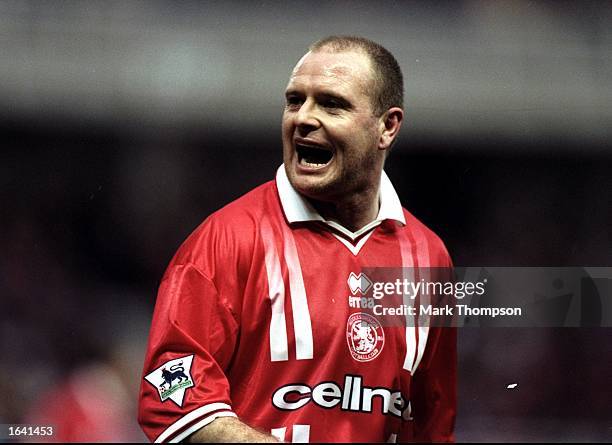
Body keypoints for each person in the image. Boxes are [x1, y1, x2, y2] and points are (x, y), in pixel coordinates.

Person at [138, 35, 456, 443]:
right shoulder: (227, 239)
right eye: (294, 101)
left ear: (387, 127)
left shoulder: (429, 258)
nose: (302, 117)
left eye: (331, 103)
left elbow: (432, 427)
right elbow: (170, 396)